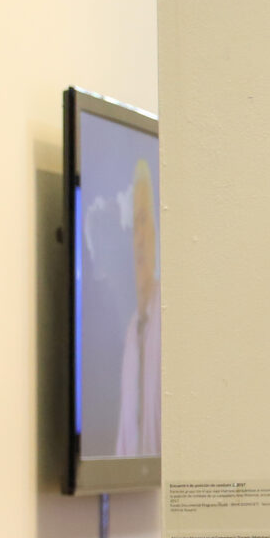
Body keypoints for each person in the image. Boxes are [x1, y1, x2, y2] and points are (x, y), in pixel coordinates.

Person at [114, 158, 160, 456]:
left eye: (144, 220)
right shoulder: (133, 331)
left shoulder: (171, 317)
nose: (139, 237)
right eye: (134, 226)